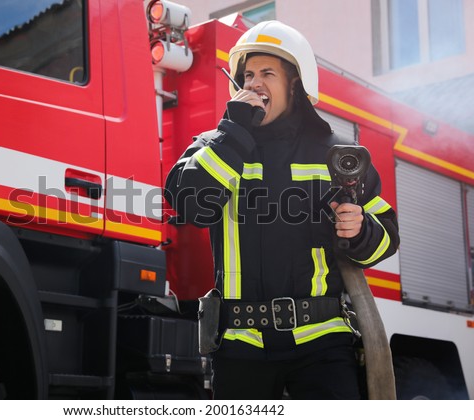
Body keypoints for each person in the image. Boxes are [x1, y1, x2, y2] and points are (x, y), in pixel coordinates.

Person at [164, 20, 399, 399]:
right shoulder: (213, 145)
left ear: (296, 84)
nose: (254, 83)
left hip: (322, 346)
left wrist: (360, 230)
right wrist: (233, 133)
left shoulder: (336, 153)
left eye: (268, 73)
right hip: (240, 347)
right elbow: (191, 205)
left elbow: (387, 235)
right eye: (248, 75)